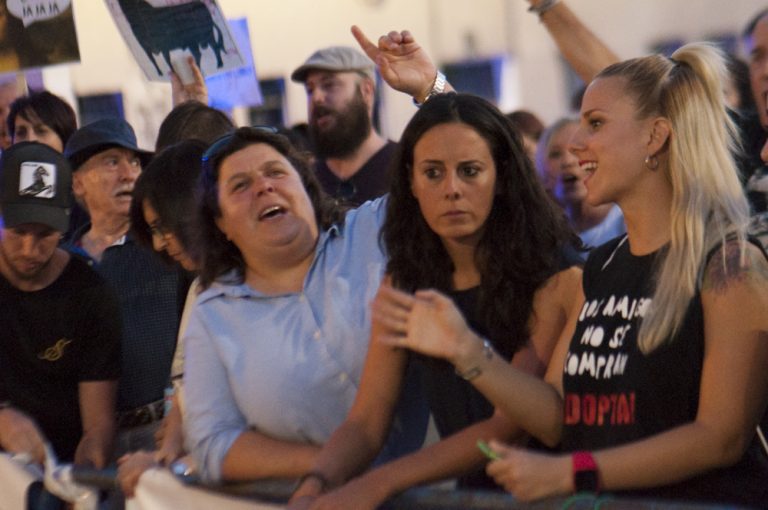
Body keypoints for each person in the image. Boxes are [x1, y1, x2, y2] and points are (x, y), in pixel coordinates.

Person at [373, 43, 768, 506]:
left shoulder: (730, 266)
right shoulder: (603, 265)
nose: (576, 143)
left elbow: (720, 437)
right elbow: (556, 416)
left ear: (655, 136)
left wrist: (574, 472)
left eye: (595, 124)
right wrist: (465, 350)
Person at [289, 89, 582, 510]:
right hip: (471, 497)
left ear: (502, 177)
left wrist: (382, 481)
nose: (452, 190)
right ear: (410, 182)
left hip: (552, 498)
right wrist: (315, 483)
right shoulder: (406, 276)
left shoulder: (553, 272)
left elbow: (508, 429)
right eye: (433, 173)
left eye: (470, 171)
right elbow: (368, 420)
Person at [183, 127, 428, 483]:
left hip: (441, 491)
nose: (264, 187)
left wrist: (429, 94)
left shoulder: (375, 229)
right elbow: (212, 444)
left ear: (307, 187)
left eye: (275, 172)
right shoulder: (212, 314)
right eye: (240, 185)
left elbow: (450, 170)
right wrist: (333, 467)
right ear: (221, 223)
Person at [0, 142, 121, 505]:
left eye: (45, 234)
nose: (29, 249)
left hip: (62, 470)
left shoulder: (89, 293)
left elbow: (98, 422)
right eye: (18, 231)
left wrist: (86, 470)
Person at [62, 118, 183, 459]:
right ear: (77, 183)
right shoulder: (63, 264)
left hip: (165, 432)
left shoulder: (165, 249)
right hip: (92, 441)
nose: (129, 174)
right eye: (112, 162)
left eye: (134, 163)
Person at [116, 140, 206, 498]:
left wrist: (179, 465)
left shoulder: (253, 286)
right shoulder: (201, 287)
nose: (158, 244)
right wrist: (168, 452)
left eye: (161, 227)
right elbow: (185, 384)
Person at [291, 45, 395, 206]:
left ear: (366, 91)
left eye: (329, 85)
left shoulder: (404, 166)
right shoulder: (304, 183)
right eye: (310, 90)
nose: (316, 97)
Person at [537, 118, 625, 255]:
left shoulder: (628, 223)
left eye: (578, 148)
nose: (567, 161)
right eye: (555, 154)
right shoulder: (547, 244)